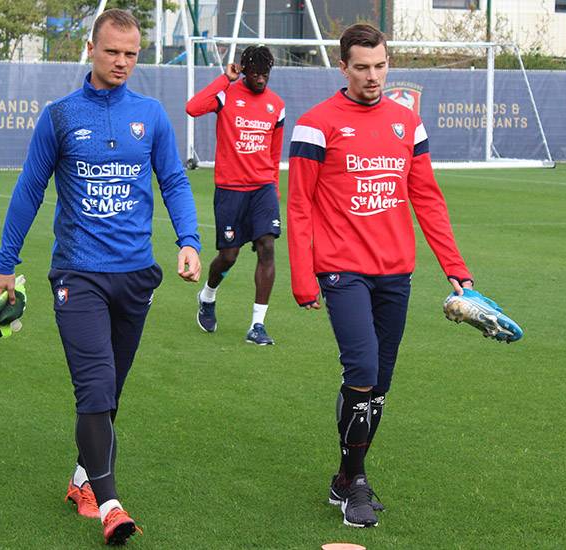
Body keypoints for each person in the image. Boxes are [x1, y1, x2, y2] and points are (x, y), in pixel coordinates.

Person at [0, 9, 201, 545]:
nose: (122, 62)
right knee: (95, 387)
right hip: (77, 275)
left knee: (111, 393)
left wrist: (189, 241)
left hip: (135, 276)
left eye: (131, 54)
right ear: (91, 48)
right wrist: (5, 263)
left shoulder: (151, 115)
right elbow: (29, 190)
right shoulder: (60, 116)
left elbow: (174, 180)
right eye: (112, 52)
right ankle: (109, 504)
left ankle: (83, 478)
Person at [287, 24, 474, 529]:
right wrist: (302, 277)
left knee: (379, 387)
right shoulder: (315, 125)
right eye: (363, 67)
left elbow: (428, 199)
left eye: (381, 65)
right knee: (363, 372)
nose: (374, 76)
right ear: (343, 68)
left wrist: (456, 270)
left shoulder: (406, 124)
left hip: (396, 272)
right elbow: (300, 206)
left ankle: (345, 477)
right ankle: (358, 484)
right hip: (341, 269)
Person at [185, 46, 285, 345]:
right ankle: (208, 295)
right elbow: (192, 107)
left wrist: (274, 190)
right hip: (230, 190)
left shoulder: (276, 105)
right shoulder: (226, 94)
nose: (260, 81)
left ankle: (257, 326)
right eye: (254, 74)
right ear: (243, 70)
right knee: (229, 256)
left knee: (267, 246)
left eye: (265, 75)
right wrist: (224, 79)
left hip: (262, 189)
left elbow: (274, 152)